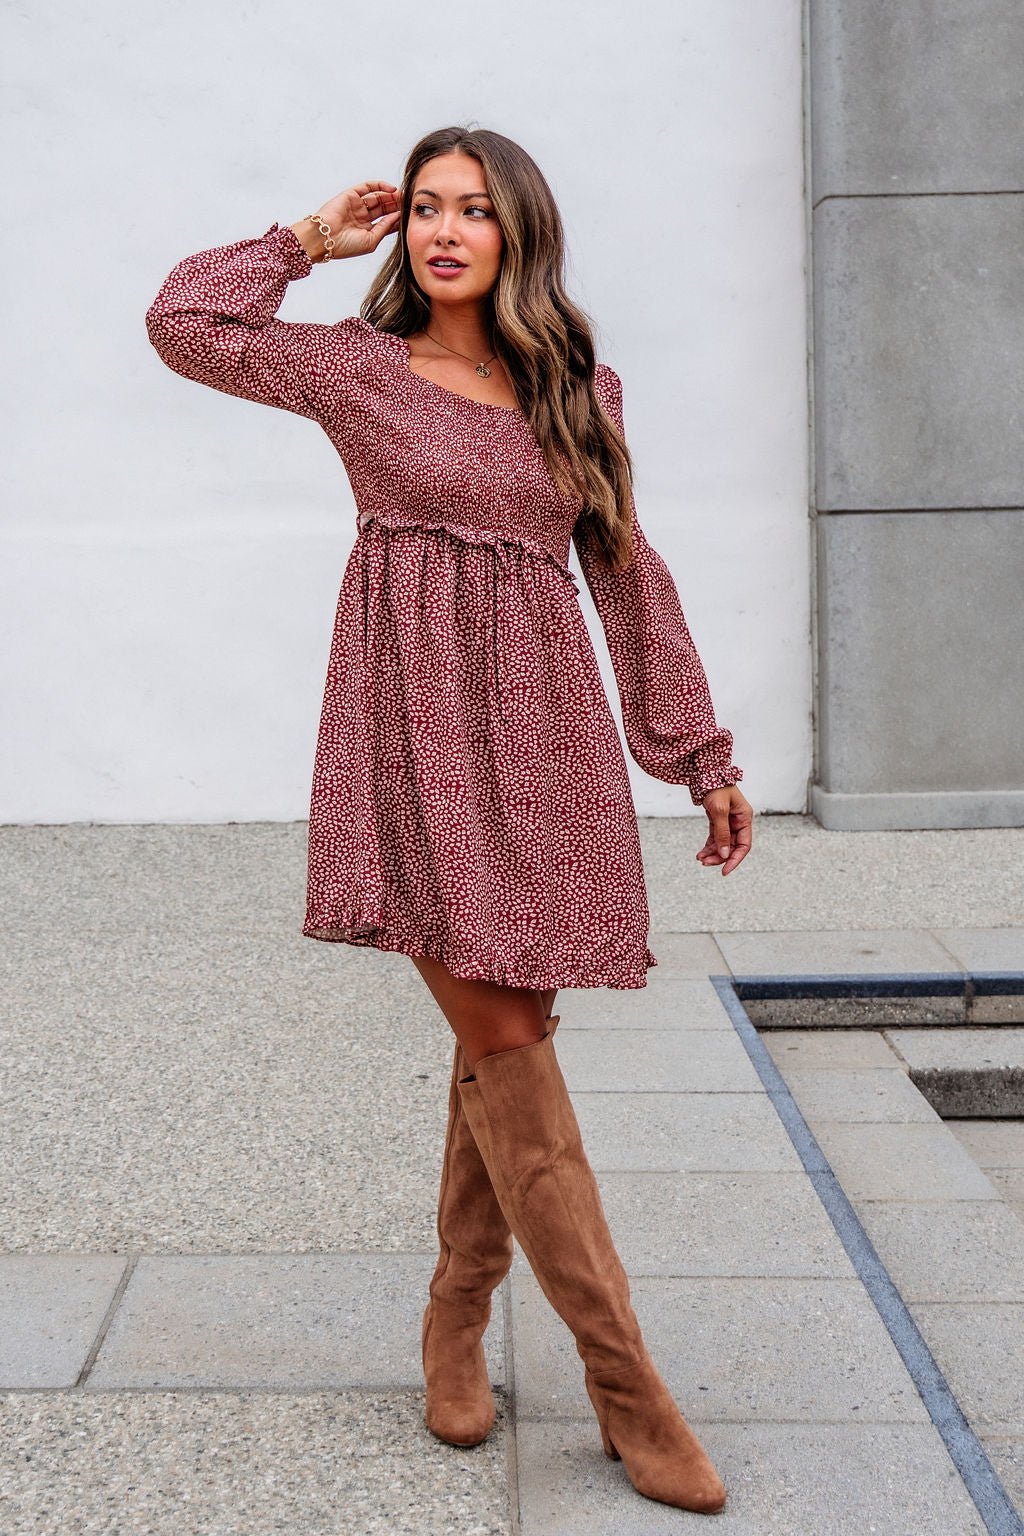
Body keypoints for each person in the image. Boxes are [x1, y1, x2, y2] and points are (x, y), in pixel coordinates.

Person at [146, 123, 753, 1516]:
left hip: (544, 746)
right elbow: (183, 321)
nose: (442, 230)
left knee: (512, 1034)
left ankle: (455, 1317)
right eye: (424, 207)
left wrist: (695, 751)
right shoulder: (357, 368)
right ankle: (628, 1388)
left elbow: (627, 573)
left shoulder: (571, 389)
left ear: (518, 233)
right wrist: (302, 243)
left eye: (472, 210)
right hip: (412, 735)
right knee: (502, 1033)